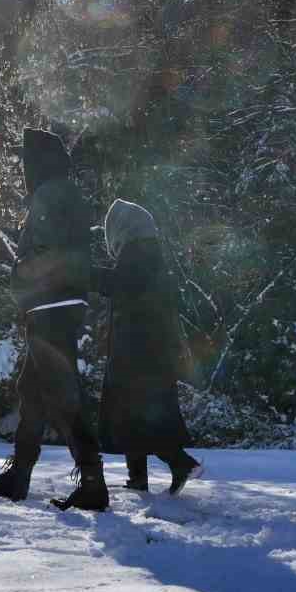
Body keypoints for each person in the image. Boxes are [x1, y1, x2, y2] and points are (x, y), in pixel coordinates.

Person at [0, 128, 110, 512]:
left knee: (62, 394)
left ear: (38, 162)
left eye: (25, 160)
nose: (22, 167)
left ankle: (93, 481)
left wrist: (20, 280)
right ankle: (19, 475)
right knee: (32, 392)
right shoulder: (59, 194)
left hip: (51, 306)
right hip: (54, 305)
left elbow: (52, 256)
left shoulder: (51, 195)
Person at [95, 199, 203, 495]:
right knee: (134, 417)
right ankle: (138, 478)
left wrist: (83, 273)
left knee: (138, 415)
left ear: (122, 230)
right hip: (148, 351)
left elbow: (119, 284)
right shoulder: (149, 254)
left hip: (138, 354)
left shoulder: (137, 255)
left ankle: (181, 462)